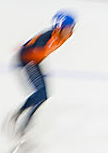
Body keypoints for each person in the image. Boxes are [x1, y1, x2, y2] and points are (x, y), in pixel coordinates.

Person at [9, 11, 75, 143]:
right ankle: (23, 126)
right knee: (40, 94)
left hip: (36, 61)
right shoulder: (47, 37)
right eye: (68, 28)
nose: (71, 31)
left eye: (72, 27)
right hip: (26, 60)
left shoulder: (65, 36)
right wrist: (24, 49)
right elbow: (33, 46)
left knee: (44, 95)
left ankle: (19, 115)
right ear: (59, 27)